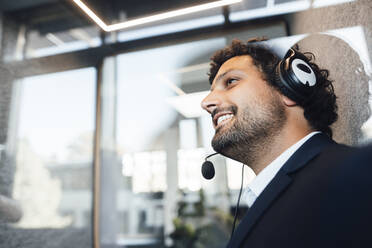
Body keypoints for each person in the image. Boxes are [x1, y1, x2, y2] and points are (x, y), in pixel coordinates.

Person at [201, 38, 372, 248]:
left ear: (287, 89)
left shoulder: (354, 174)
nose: (206, 103)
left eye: (230, 82)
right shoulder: (270, 195)